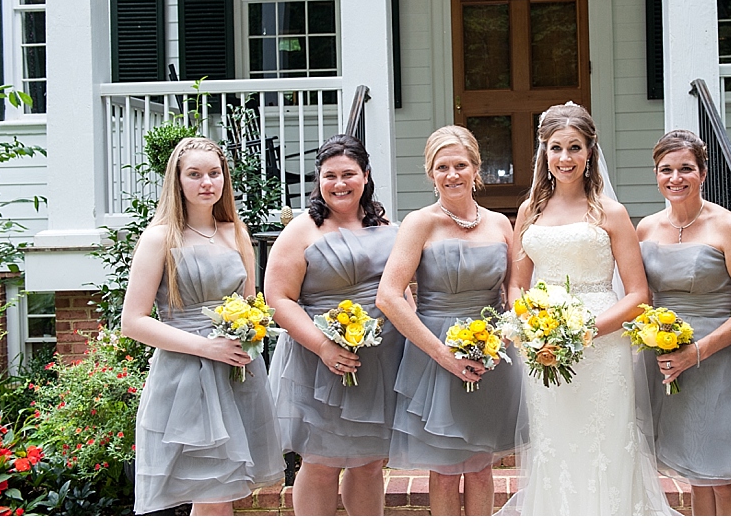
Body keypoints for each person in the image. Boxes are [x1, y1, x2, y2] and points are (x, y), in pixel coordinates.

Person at [504, 102, 675, 516]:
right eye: (556, 148)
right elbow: (516, 285)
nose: (565, 158)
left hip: (602, 344)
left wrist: (584, 331)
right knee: (555, 440)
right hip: (544, 345)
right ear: (544, 153)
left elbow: (637, 296)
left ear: (590, 152)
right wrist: (534, 329)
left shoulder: (610, 213)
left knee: (606, 440)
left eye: (575, 147)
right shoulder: (529, 211)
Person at [122, 137, 285, 516]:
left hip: (237, 373)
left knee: (224, 493)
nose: (206, 182)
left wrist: (253, 329)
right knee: (210, 493)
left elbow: (250, 304)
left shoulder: (237, 233)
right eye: (194, 174)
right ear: (177, 181)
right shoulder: (159, 238)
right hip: (187, 377)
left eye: (214, 173)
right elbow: (133, 321)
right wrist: (206, 347)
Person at [375, 126, 528, 516]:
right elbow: (389, 296)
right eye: (442, 167)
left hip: (491, 350)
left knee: (480, 466)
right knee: (444, 469)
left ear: (477, 170)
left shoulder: (500, 224)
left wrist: (503, 340)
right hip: (434, 353)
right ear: (430, 174)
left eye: (461, 165)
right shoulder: (419, 224)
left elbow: (514, 289)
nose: (452, 174)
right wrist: (443, 355)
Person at [265, 134, 405, 516]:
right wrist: (324, 347)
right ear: (318, 180)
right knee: (322, 461)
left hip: (380, 360)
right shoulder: (302, 229)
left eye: (348, 174)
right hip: (320, 361)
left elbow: (401, 290)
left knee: (371, 461)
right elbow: (278, 299)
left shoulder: (387, 224)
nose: (339, 184)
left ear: (366, 175)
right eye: (330, 176)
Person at [635, 130, 731, 516]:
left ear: (703, 173)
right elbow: (643, 300)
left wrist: (696, 351)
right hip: (668, 362)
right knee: (695, 473)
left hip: (721, 361)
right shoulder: (645, 228)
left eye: (685, 169)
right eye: (666, 170)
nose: (675, 178)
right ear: (656, 174)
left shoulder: (729, 226)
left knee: (725, 477)